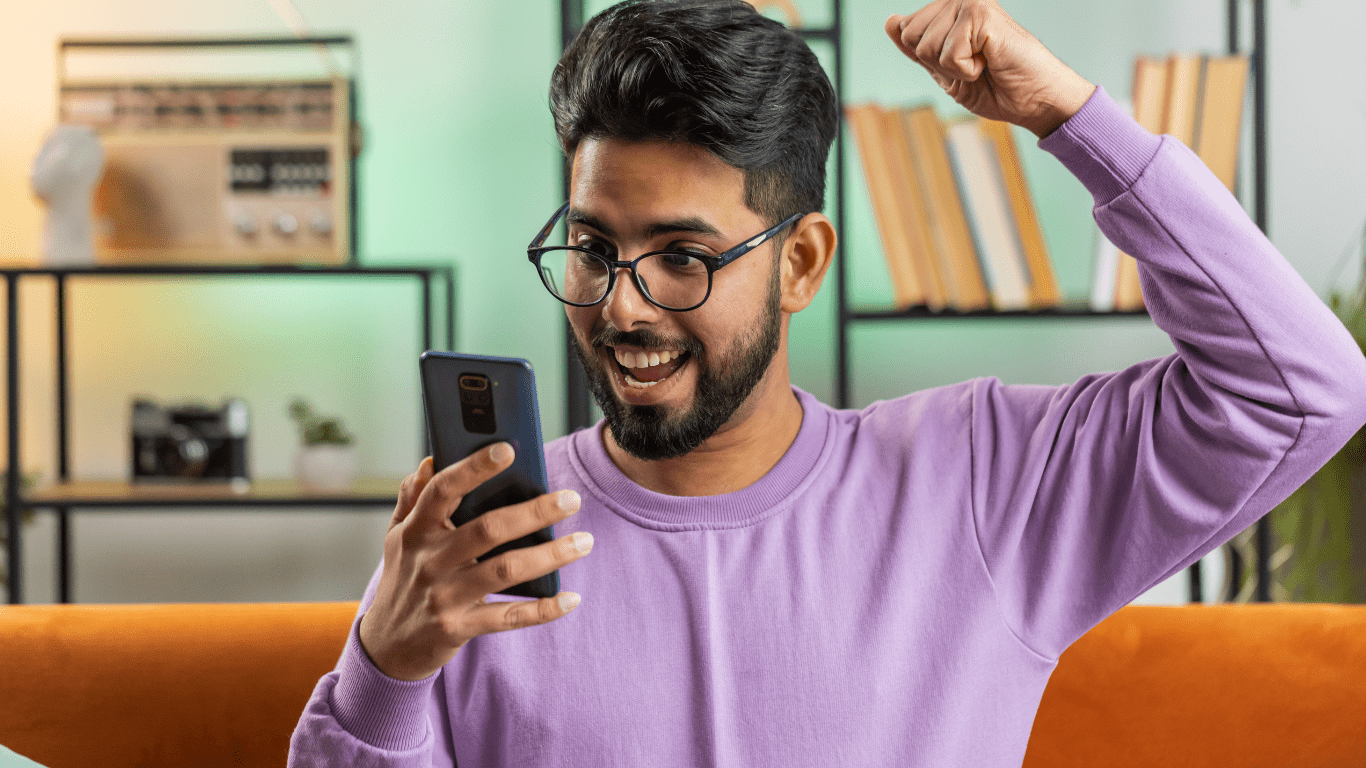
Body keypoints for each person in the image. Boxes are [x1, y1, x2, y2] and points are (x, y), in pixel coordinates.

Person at [290, 0, 1366, 764]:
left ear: (801, 261)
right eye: (591, 247)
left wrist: (1068, 117)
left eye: (681, 256)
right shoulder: (483, 547)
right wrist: (385, 666)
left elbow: (1301, 388)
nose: (621, 305)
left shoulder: (982, 482)